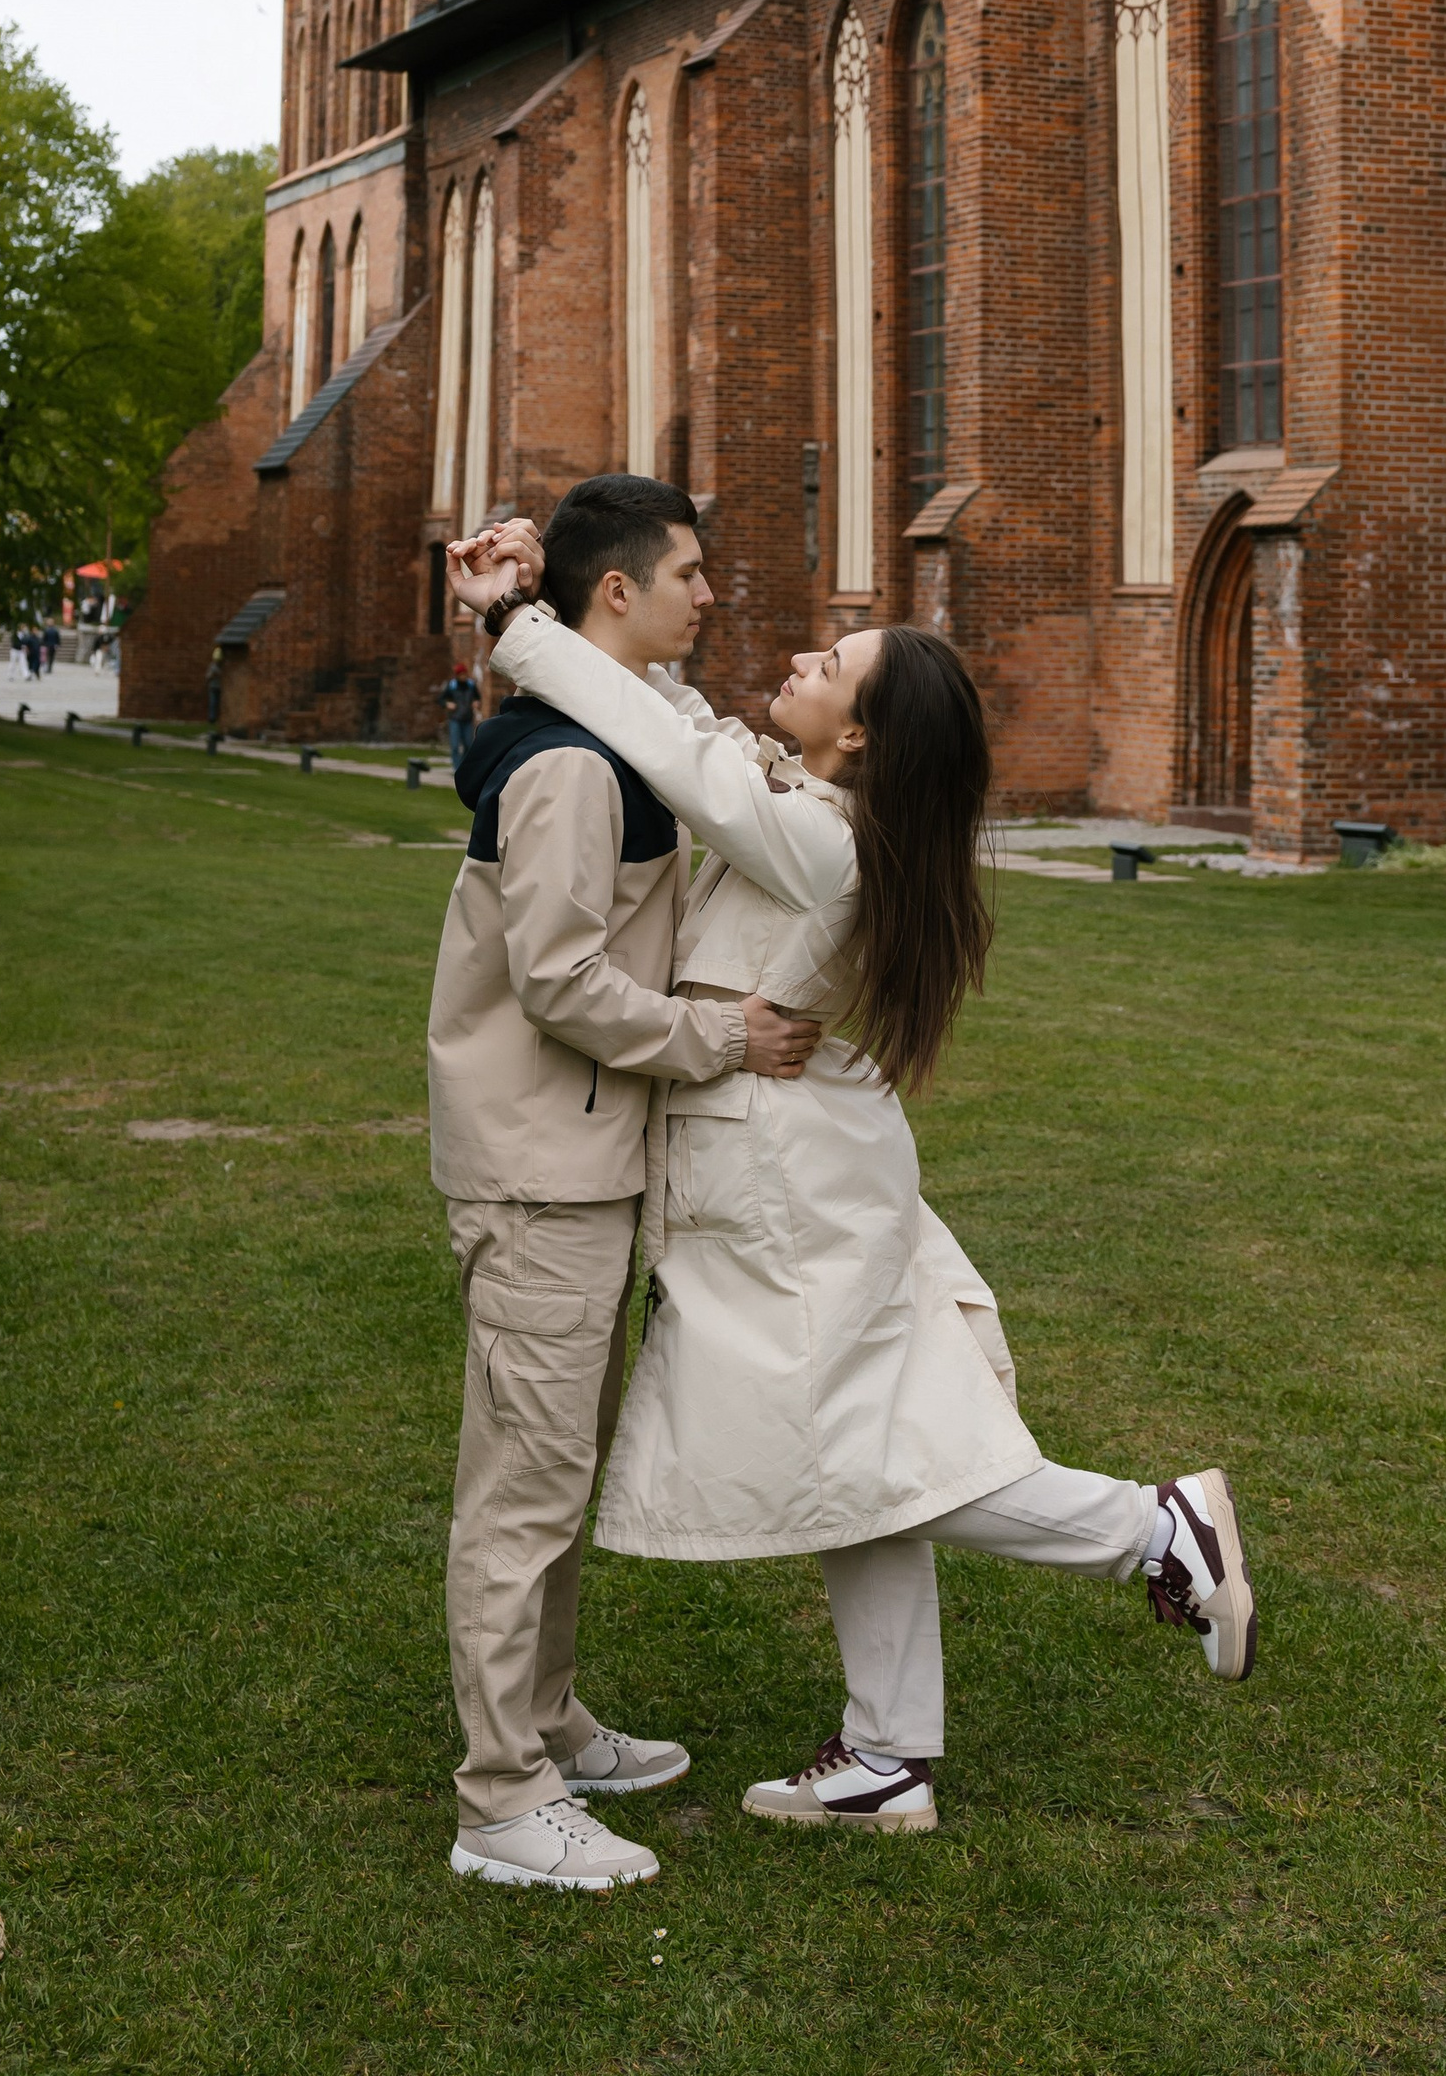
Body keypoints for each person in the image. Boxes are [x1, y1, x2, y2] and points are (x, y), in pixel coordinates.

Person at [451, 514, 1255, 1840]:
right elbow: (697, 727)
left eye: (829, 662)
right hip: (800, 1165)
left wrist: (520, 632)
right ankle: (888, 1750)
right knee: (859, 1450)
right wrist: (525, 625)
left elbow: (673, 749)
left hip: (784, 1186)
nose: (799, 661)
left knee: (875, 1446)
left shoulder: (818, 841)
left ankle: (1155, 1531)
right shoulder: (824, 816)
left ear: (862, 735)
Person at [432, 474, 822, 1897]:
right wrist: (724, 1039)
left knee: (554, 1472)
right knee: (525, 1490)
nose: (710, 595)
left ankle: (545, 1721)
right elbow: (560, 982)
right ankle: (501, 1797)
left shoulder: (602, 731)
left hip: (582, 1163)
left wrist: (499, 622)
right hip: (541, 1169)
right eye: (691, 574)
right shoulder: (571, 769)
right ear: (619, 594)